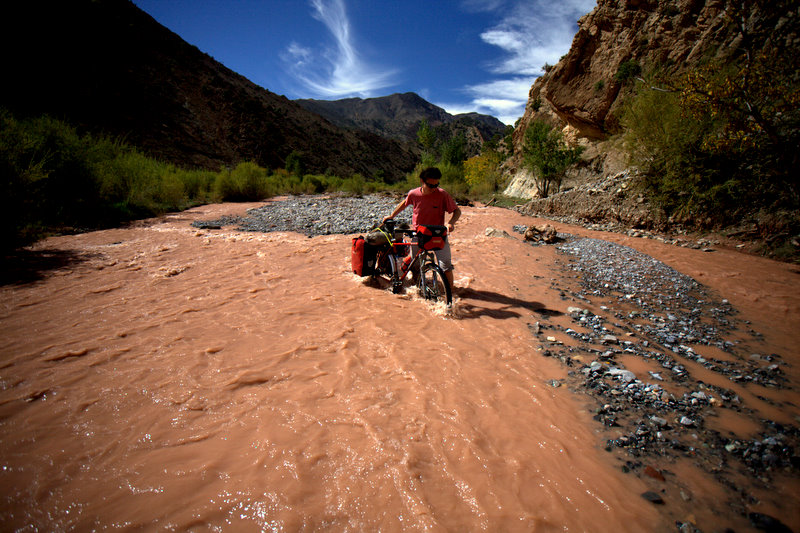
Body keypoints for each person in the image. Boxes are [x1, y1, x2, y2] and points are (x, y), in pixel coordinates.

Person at [383, 167, 461, 289]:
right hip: (418, 234)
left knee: (446, 265)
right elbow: (404, 203)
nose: (434, 188)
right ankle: (417, 286)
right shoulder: (414, 194)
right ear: (422, 181)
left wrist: (451, 223)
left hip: (438, 235)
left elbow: (457, 211)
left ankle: (450, 295)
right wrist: (391, 215)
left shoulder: (442, 194)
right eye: (430, 185)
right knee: (416, 265)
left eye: (436, 185)